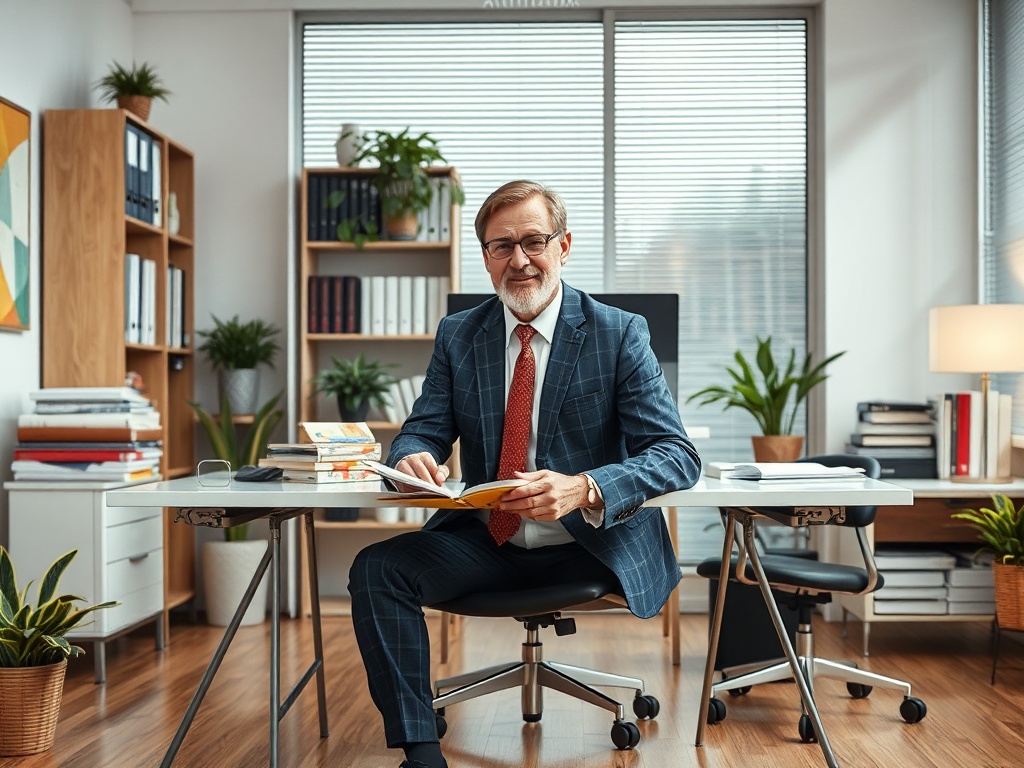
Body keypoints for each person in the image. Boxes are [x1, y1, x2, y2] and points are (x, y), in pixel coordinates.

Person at [349, 180, 702, 768]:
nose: (519, 260)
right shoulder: (460, 334)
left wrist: (584, 487)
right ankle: (420, 752)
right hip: (490, 540)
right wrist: (413, 456)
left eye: (534, 241)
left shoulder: (618, 333)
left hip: (589, 545)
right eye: (500, 246)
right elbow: (423, 427)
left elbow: (674, 453)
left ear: (564, 245)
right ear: (485, 257)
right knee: (377, 569)